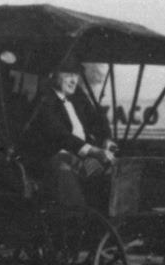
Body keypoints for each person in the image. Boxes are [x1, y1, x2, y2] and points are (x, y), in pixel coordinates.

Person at [22, 57, 117, 209]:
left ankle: (107, 212)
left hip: (79, 157)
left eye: (76, 75)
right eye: (68, 75)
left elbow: (97, 117)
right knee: (68, 172)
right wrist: (93, 150)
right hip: (53, 158)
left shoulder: (76, 95)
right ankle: (79, 216)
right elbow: (59, 135)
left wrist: (106, 138)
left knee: (110, 175)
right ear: (53, 75)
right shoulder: (44, 99)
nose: (74, 81)